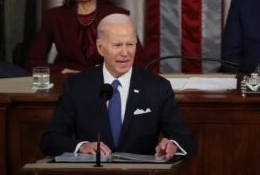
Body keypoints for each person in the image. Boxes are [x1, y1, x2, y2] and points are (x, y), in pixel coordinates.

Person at [40, 13, 196, 159]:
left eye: (130, 44)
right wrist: (82, 146)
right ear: (101, 48)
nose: (125, 53)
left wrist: (172, 145)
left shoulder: (157, 87)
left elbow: (186, 139)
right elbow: (50, 140)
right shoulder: (77, 86)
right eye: (117, 45)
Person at [24, 0, 146, 74]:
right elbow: (32, 62)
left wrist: (111, 74)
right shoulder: (54, 17)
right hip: (68, 82)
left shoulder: (117, 16)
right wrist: (61, 71)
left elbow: (140, 61)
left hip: (106, 82)